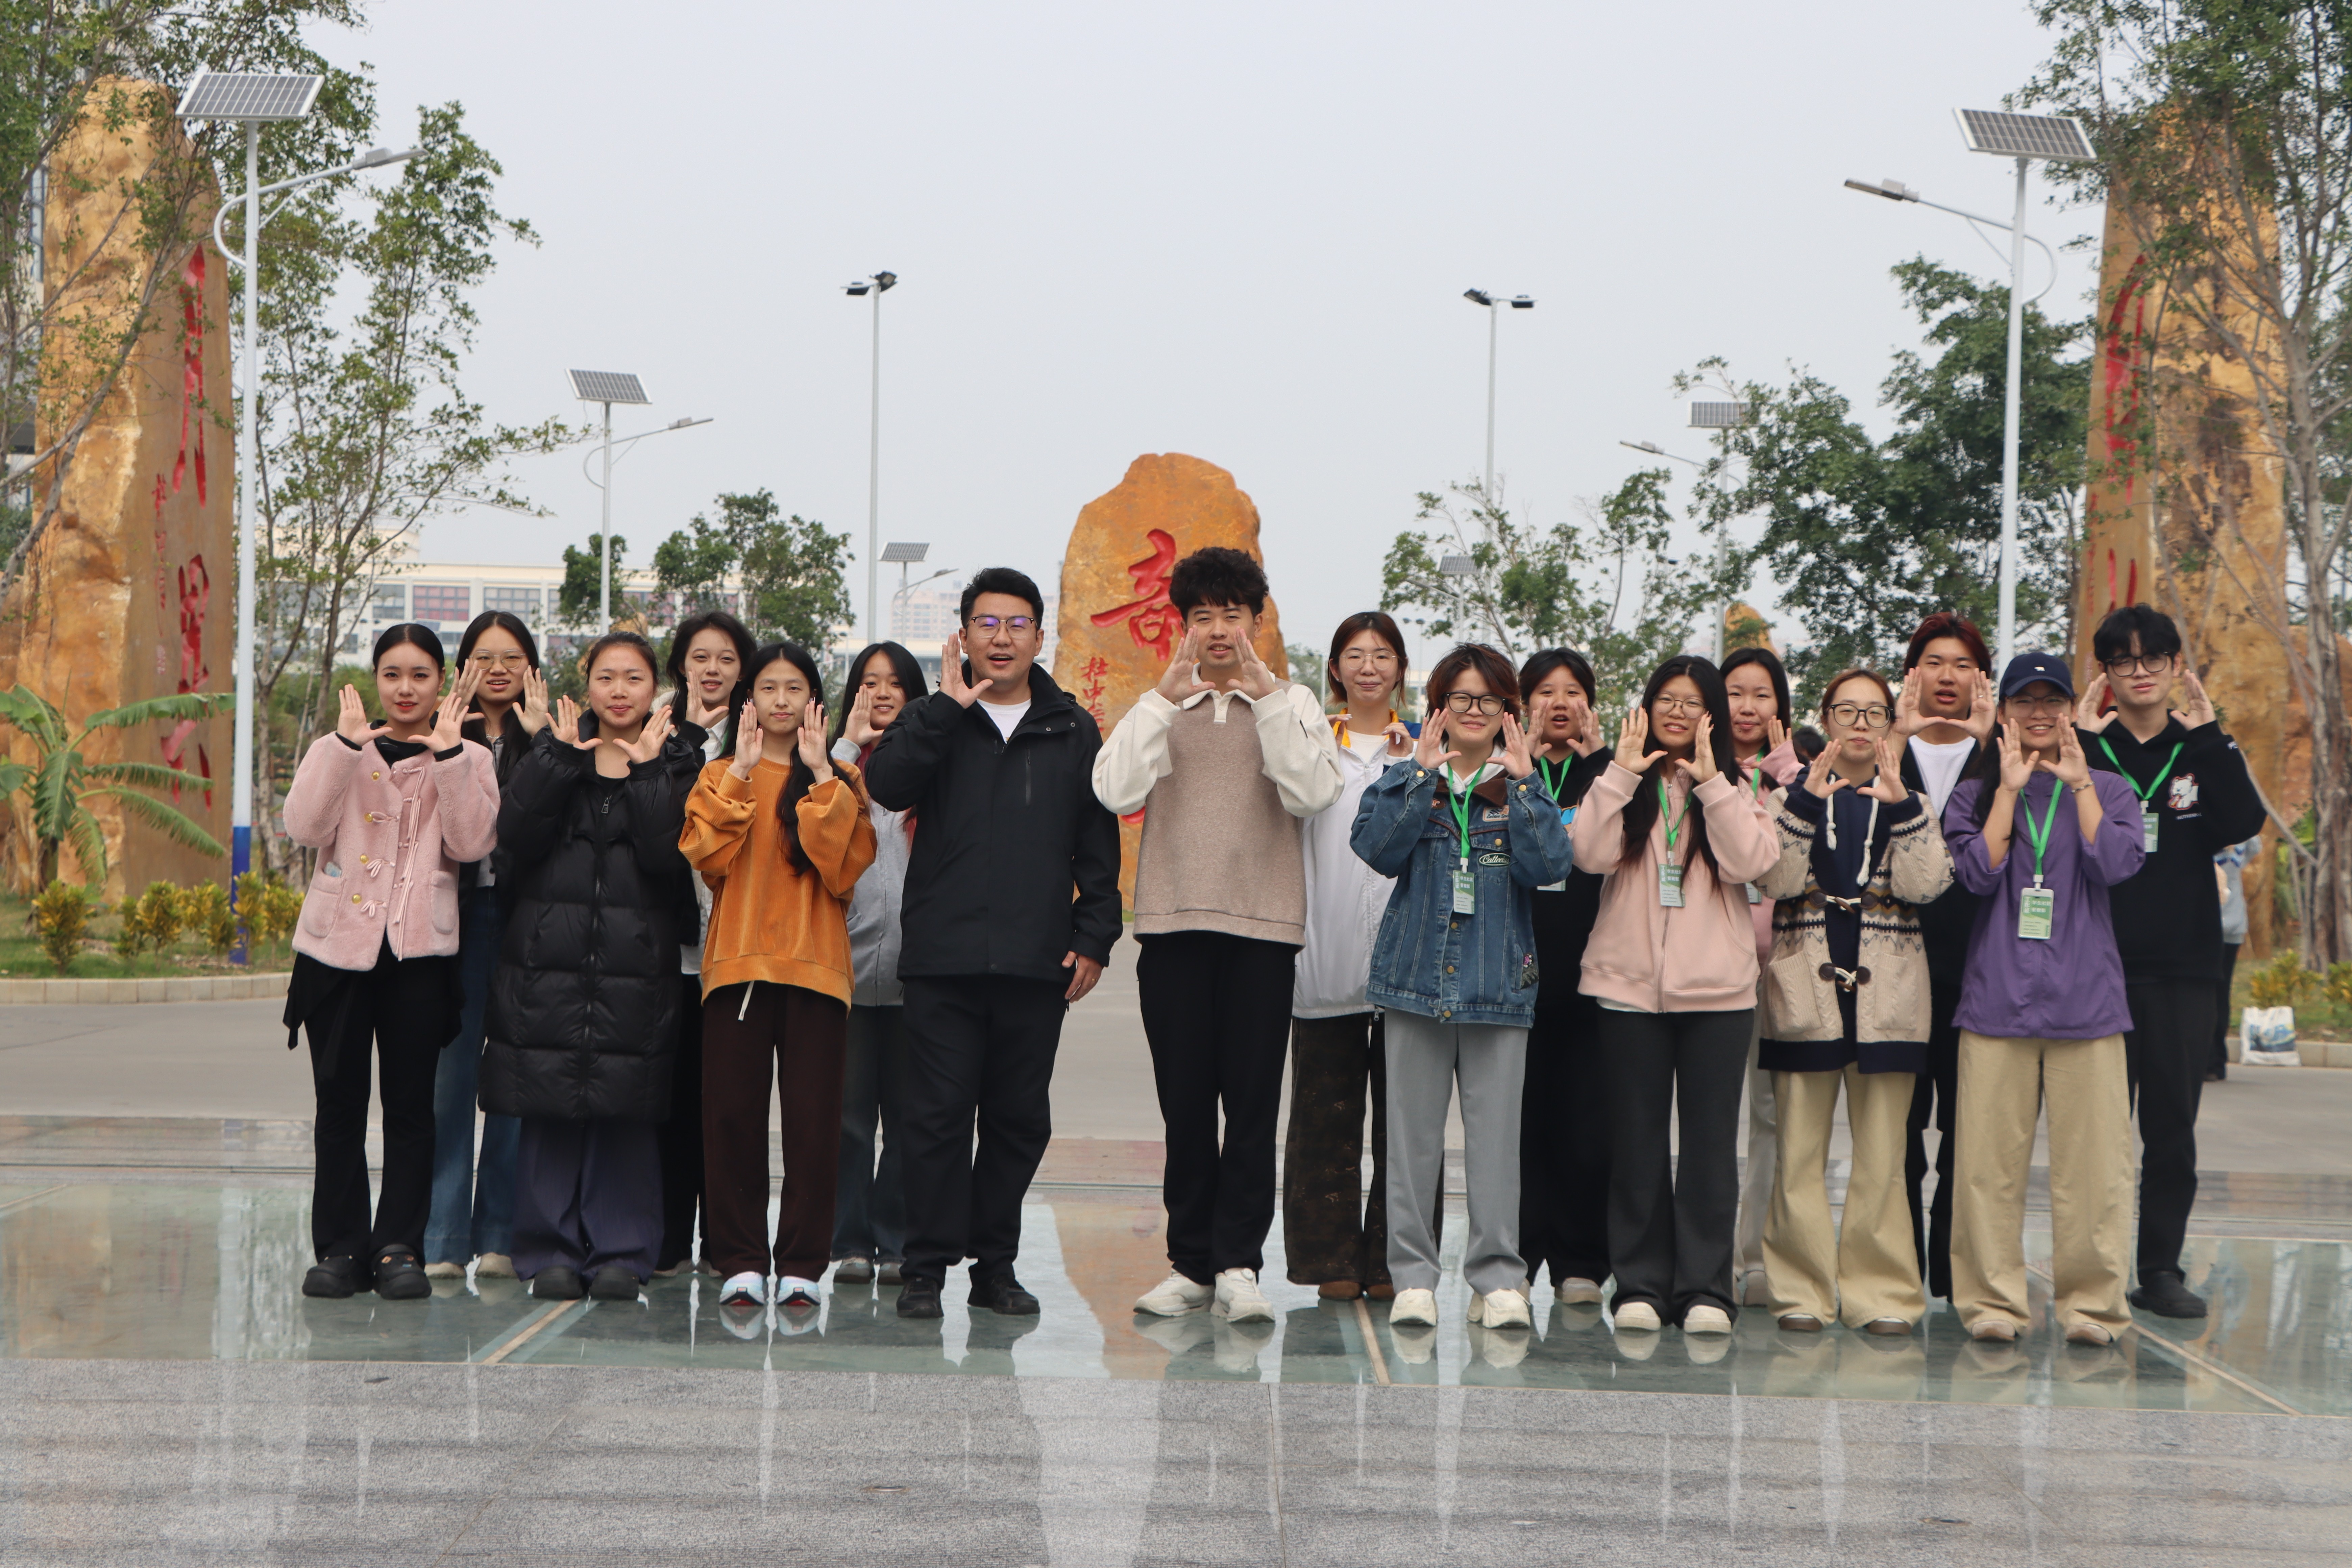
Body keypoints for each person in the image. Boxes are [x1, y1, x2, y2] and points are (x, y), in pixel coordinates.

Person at [863, 567, 1122, 1320]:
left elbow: (1096, 845)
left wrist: (1094, 936)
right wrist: (946, 709)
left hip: (1035, 963)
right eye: (987, 624)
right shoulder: (933, 716)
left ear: (1040, 636)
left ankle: (995, 1266)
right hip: (942, 962)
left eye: (1016, 625)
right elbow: (888, 785)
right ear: (964, 636)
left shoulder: (1070, 727)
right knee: (934, 1121)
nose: (1001, 638)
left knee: (1017, 1122)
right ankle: (924, 1269)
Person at [1100, 548, 1344, 1324]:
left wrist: (1265, 700)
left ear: (1256, 621)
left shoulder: (1293, 701)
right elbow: (1114, 789)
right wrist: (1160, 702)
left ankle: (1238, 1263)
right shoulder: (1161, 705)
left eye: (1231, 615)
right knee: (1185, 1108)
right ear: (1184, 624)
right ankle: (1190, 1265)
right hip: (1172, 927)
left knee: (1250, 1105)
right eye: (1202, 615)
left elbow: (1312, 791)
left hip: (1262, 932)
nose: (1217, 630)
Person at [1350, 644, 1574, 1331]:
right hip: (1414, 984)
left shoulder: (1524, 788)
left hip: (1498, 986)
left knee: (1496, 1146)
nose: (1474, 711)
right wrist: (1419, 777)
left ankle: (1498, 1279)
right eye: (1461, 698)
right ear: (1438, 707)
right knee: (1411, 1144)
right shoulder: (1405, 779)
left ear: (1508, 711)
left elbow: (1550, 868)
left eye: (1489, 700)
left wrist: (1527, 784)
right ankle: (1414, 1279)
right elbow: (1376, 850)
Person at [481, 632, 706, 1301]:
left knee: (626, 1108)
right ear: (587, 684)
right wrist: (554, 758)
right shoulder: (553, 749)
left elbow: (668, 857)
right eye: (606, 677)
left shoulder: (678, 762)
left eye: (634, 678)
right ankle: (548, 1249)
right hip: (548, 960)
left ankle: (622, 1251)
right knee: (549, 1104)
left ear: (655, 690)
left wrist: (648, 771)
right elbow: (514, 835)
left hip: (637, 964)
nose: (619, 691)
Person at [282, 624, 498, 1300]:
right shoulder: (340, 746)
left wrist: (451, 756)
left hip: (419, 954)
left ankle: (399, 1246)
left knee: (411, 1108)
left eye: (420, 675)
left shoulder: (469, 755)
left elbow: (471, 844)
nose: (406, 689)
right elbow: (304, 829)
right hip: (336, 952)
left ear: (442, 682)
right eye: (393, 674)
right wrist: (345, 748)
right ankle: (341, 1248)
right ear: (375, 679)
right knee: (339, 1106)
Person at [1571, 654, 1778, 1334]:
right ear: (1647, 707)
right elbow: (1588, 854)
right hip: (1628, 991)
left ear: (1710, 715)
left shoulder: (1738, 786)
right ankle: (1640, 1284)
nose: (1678, 712)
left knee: (1710, 1149)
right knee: (1636, 1143)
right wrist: (1621, 772)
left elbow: (1753, 864)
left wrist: (1714, 782)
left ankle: (1705, 1290)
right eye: (1667, 699)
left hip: (1718, 996)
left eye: (1692, 702)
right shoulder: (1622, 781)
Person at [1944, 652, 2144, 1345]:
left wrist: (2081, 784)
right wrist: (2006, 792)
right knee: (1986, 1168)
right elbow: (1976, 875)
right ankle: (1992, 1303)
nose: (2039, 713)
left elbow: (2117, 864)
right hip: (1996, 1001)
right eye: (2024, 701)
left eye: (2052, 701)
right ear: (2002, 713)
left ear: (2071, 711)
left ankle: (2092, 1307)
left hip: (2086, 1003)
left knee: (2095, 1171)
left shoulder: (2111, 789)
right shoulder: (1974, 795)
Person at [2076, 604, 2267, 1318]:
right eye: (2123, 660)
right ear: (2105, 673)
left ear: (2176, 667)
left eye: (2154, 658)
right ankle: (2090, 1273)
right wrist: (2081, 740)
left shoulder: (2202, 749)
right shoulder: (2090, 749)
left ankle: (2159, 1269)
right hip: (2099, 968)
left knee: (2171, 1134)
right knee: (2097, 1137)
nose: (2140, 672)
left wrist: (2212, 736)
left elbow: (2244, 821)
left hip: (2185, 970)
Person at [681, 641, 878, 1310]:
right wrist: (739, 773)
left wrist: (823, 772)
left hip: (816, 972)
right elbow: (707, 856)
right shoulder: (718, 775)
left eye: (795, 688)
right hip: (737, 972)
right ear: (750, 701)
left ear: (815, 702)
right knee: (731, 1121)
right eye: (768, 688)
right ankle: (740, 1259)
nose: (782, 700)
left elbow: (842, 869)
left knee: (815, 1127)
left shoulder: (841, 782)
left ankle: (801, 1263)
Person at [1755, 669, 1952, 1334]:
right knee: (1798, 1154)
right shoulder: (1790, 796)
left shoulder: (1911, 800)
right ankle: (1801, 1290)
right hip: (1804, 989)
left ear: (1891, 723)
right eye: (1848, 711)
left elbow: (1929, 887)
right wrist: (1805, 803)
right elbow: (1775, 878)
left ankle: (1882, 1293)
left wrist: (1902, 810)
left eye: (1874, 712)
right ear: (1827, 718)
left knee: (1882, 1156)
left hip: (1889, 994)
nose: (1861, 724)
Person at [1283, 613, 1416, 1302]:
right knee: (1322, 1122)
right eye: (1355, 655)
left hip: (1406, 969)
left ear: (1401, 669)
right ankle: (1327, 1256)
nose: (1369, 667)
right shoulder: (1311, 748)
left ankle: (1396, 1260)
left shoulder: (1423, 749)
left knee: (1407, 1127)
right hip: (1325, 958)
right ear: (1334, 669)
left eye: (1382, 655)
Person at [423, 612, 547, 1280]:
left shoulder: (551, 735)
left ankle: (501, 1234)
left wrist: (549, 742)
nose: (499, 670)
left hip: (529, 920)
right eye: (484, 657)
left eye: (512, 658)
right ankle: (442, 1237)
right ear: (463, 667)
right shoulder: (440, 730)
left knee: (514, 1079)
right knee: (451, 1077)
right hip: (458, 916)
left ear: (532, 667)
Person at [1889, 612, 1998, 1299]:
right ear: (1913, 675)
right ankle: (1897, 1269)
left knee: (1968, 1129)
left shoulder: (2000, 755)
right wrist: (1895, 736)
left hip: (1976, 971)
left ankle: (1956, 1268)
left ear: (1981, 678)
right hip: (1895, 969)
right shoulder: (1889, 750)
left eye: (1962, 664)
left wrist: (1990, 742)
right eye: (1934, 662)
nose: (1948, 676)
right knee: (1897, 1130)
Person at [653, 608, 759, 1277]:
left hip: (735, 946)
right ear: (680, 666)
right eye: (700, 657)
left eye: (725, 658)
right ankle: (667, 1240)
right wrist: (686, 739)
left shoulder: (760, 732)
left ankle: (726, 1243)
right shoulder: (656, 728)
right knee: (671, 1100)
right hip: (669, 949)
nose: (712, 669)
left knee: (729, 1104)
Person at [1513, 647, 1614, 1306]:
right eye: (1545, 691)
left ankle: (1581, 1261)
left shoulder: (1607, 773)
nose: (1560, 702)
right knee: (1521, 1126)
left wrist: (1604, 761)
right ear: (1525, 706)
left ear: (1590, 706)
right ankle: (1517, 1258)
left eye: (1573, 691)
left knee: (1586, 1127)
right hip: (1517, 972)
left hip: (1592, 974)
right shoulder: (1507, 770)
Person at [827, 640, 927, 1286]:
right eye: (870, 682)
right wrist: (844, 750)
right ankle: (850, 1243)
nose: (883, 693)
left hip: (921, 979)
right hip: (847, 975)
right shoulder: (832, 766)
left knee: (911, 1123)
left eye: (895, 682)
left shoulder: (934, 769)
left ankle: (897, 1242)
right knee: (848, 1122)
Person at [1718, 644, 1803, 1307]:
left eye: (1762, 694)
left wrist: (1788, 775)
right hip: (1715, 968)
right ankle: (1710, 1256)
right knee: (1712, 1118)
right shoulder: (1697, 769)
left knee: (1773, 1118)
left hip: (1783, 968)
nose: (1748, 707)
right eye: (1735, 693)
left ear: (1781, 705)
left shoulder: (1800, 774)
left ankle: (1758, 1257)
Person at [2213, 834, 2260, 1080]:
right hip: (2234, 924)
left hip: (2206, 925)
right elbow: (2255, 846)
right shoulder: (2244, 841)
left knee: (2203, 995)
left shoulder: (2204, 838)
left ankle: (2205, 1060)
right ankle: (2217, 1062)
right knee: (2222, 994)